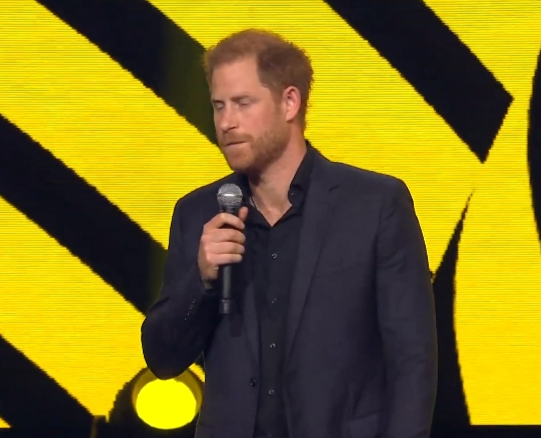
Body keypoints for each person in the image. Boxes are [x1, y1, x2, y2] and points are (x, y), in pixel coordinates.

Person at [141, 28, 438, 438]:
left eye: (243, 104)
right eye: (218, 106)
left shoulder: (374, 205)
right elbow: (163, 358)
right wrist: (202, 280)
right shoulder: (198, 214)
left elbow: (412, 361)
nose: (226, 122)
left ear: (289, 102)